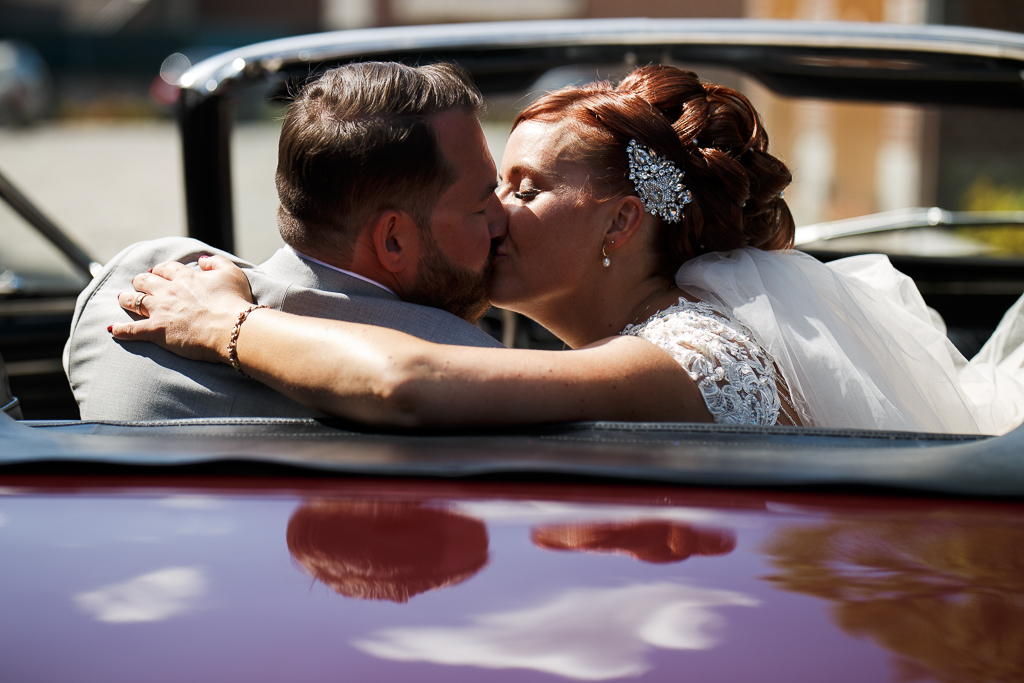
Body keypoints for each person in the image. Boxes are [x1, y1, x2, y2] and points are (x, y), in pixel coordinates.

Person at [112, 65, 1024, 434]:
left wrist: (227, 322)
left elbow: (410, 383)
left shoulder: (698, 354)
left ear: (622, 223)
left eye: (523, 188)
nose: (497, 215)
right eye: (490, 190)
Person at [64, 61, 507, 420]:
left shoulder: (127, 298)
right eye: (481, 204)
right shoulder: (474, 376)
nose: (501, 218)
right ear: (393, 241)